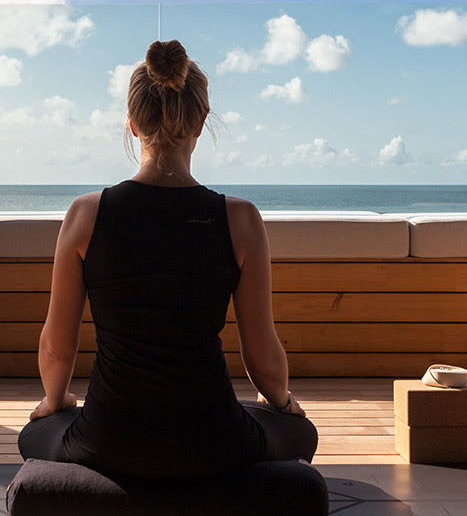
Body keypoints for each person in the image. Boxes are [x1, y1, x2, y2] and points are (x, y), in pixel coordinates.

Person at [17, 39, 317, 480]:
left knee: (34, 434)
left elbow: (56, 349)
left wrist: (54, 402)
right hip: (214, 441)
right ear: (200, 121)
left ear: (133, 123)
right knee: (300, 434)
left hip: (106, 440)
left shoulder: (85, 214)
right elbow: (264, 363)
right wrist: (285, 405)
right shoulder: (241, 220)